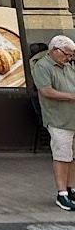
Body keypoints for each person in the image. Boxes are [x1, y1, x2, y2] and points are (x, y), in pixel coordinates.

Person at [30, 35, 75, 209]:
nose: (69, 57)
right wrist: (71, 96)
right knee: (62, 156)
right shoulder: (43, 66)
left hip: (72, 118)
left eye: (71, 55)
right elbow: (46, 91)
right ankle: (61, 193)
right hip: (58, 119)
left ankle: (71, 189)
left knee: (72, 156)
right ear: (54, 50)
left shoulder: (68, 66)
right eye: (66, 54)